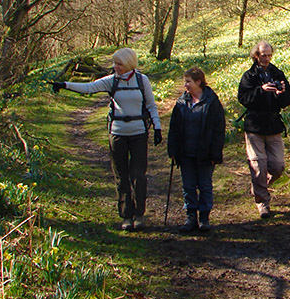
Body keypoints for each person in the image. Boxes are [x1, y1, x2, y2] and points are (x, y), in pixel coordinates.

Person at [52, 48, 162, 231]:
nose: (115, 67)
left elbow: (151, 104)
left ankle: (139, 214)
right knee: (122, 176)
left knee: (138, 175)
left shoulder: (142, 81)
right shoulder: (111, 81)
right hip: (117, 134)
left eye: (119, 64)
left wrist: (157, 128)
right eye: (114, 63)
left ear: (129, 64)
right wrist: (65, 85)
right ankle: (126, 216)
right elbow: (88, 88)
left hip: (139, 134)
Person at [237, 40, 290, 219]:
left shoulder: (277, 73)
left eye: (269, 55)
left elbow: (286, 100)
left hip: (273, 125)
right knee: (258, 167)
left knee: (278, 167)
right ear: (256, 56)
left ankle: (260, 187)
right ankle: (263, 203)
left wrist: (281, 94)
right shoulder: (249, 76)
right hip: (254, 127)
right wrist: (261, 90)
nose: (266, 59)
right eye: (263, 55)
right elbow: (243, 98)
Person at [167, 67, 225, 232]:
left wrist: (216, 152)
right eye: (185, 81)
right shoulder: (181, 103)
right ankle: (191, 216)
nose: (185, 85)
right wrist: (172, 150)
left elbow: (219, 129)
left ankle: (204, 218)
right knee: (188, 186)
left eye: (188, 81)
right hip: (186, 153)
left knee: (205, 185)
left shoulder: (212, 102)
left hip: (205, 153)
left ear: (198, 82)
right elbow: (174, 129)